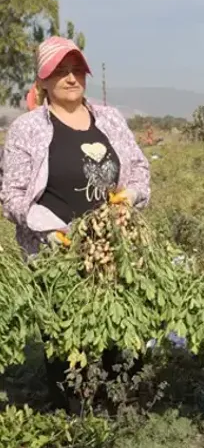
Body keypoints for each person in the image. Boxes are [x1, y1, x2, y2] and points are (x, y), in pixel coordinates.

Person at [0, 35, 150, 410]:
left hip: (114, 249)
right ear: (43, 81)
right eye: (60, 72)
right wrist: (50, 230)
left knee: (120, 335)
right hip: (57, 258)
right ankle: (76, 418)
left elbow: (140, 170)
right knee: (67, 346)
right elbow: (12, 194)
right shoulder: (28, 129)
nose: (71, 78)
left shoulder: (110, 119)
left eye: (76, 70)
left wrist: (129, 197)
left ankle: (118, 412)